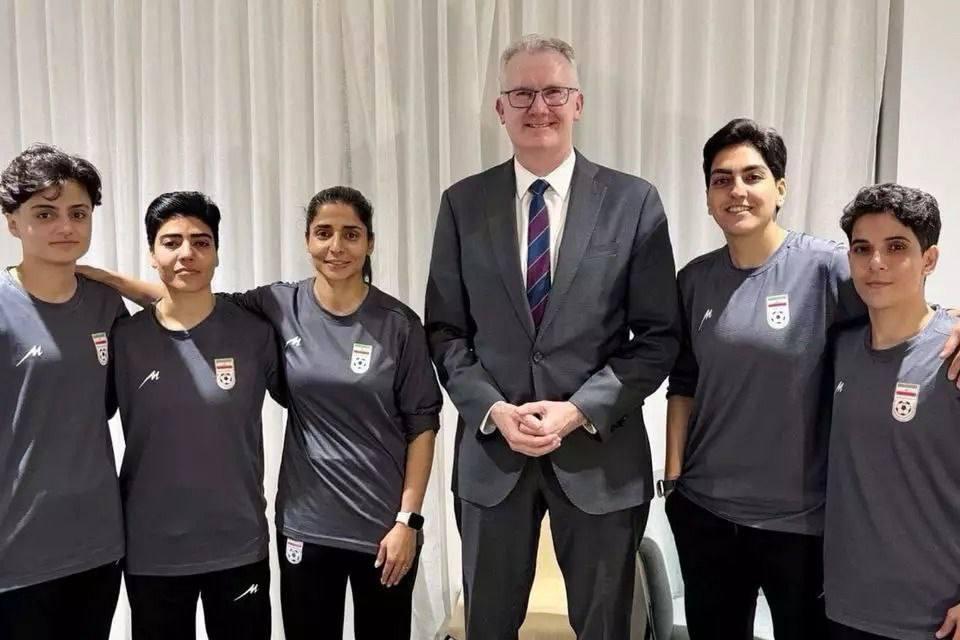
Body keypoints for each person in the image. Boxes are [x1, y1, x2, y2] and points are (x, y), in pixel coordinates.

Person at [80, 185, 441, 640]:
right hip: (298, 526)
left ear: (370, 242)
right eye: (323, 233)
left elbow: (422, 423)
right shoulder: (276, 306)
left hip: (377, 526)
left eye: (351, 234)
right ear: (307, 240)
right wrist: (107, 280)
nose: (336, 246)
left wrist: (409, 519)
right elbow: (188, 299)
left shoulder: (396, 323)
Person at [664, 119, 960, 639]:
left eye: (753, 176)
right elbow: (683, 381)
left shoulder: (829, 268)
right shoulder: (693, 280)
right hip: (707, 513)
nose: (736, 191)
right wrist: (674, 480)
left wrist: (955, 321)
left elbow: (901, 306)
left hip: (802, 525)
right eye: (721, 179)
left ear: (780, 188)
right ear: (707, 196)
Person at [425, 34, 680, 638]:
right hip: (493, 457)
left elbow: (658, 337)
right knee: (488, 626)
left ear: (578, 103)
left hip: (601, 458)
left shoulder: (633, 202)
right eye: (522, 93)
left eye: (554, 92)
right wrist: (493, 410)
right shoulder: (463, 204)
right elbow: (445, 331)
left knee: (606, 627)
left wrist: (579, 410)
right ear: (501, 108)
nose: (539, 106)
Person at [113, 192, 283, 639]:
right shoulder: (124, 339)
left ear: (217, 253)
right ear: (151, 255)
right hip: (151, 550)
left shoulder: (255, 333)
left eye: (201, 242)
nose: (186, 253)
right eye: (171, 242)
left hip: (238, 544)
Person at [0, 144, 127, 639]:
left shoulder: (106, 305)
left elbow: (194, 312)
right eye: (44, 214)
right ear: (12, 222)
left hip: (97, 544)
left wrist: (116, 281)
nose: (65, 226)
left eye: (78, 213)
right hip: (15, 550)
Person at [825, 184, 960, 640]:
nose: (876, 262)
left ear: (929, 260)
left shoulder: (952, 355)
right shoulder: (838, 348)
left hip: (935, 619)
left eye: (897, 247)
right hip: (844, 609)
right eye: (862, 249)